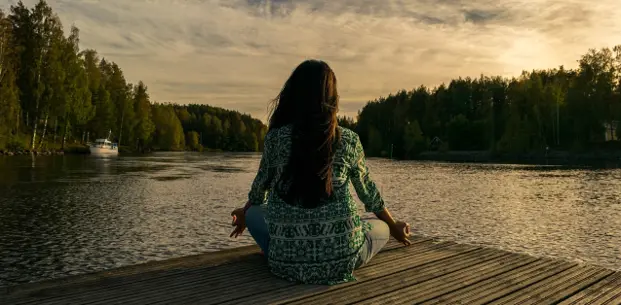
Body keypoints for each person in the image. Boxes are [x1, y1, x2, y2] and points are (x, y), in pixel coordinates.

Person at [229, 59, 411, 285]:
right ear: (332, 99)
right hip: (342, 260)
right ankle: (372, 232)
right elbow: (369, 195)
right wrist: (394, 227)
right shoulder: (349, 140)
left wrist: (245, 213)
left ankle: (284, 250)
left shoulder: (275, 139)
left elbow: (258, 192)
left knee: (255, 212)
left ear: (293, 95)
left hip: (285, 264)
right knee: (380, 226)